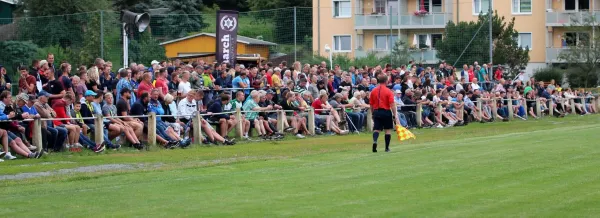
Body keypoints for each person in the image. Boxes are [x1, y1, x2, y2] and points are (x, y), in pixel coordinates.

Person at [369, 74, 400, 153]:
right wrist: (394, 114)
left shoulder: (373, 91)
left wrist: (373, 113)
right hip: (386, 111)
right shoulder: (388, 91)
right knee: (387, 130)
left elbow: (371, 104)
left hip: (376, 111)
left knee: (376, 129)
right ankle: (386, 148)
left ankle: (375, 141)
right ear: (386, 81)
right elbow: (392, 104)